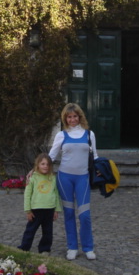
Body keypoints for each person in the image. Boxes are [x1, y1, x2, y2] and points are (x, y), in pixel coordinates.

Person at [48, 103, 98, 260]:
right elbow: (51, 156)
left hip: (83, 178)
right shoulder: (61, 135)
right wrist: (35, 170)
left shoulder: (89, 134)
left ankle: (88, 247)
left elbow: (95, 156)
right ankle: (72, 247)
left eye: (75, 116)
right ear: (65, 119)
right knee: (69, 213)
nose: (72, 119)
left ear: (79, 117)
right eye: (69, 117)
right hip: (65, 179)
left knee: (84, 215)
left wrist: (102, 170)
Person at [18, 153, 62, 254]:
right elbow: (27, 195)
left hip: (49, 209)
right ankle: (24, 247)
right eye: (43, 164)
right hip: (36, 210)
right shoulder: (32, 178)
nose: (45, 166)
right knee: (30, 230)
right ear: (37, 165)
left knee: (47, 232)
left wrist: (57, 209)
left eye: (47, 164)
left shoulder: (52, 178)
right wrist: (28, 210)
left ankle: (44, 249)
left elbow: (56, 193)